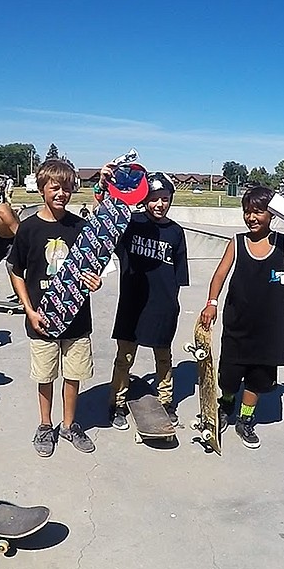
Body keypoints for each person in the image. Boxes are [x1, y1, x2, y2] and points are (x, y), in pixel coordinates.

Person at [200, 186, 284, 448]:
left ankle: (245, 420)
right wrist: (211, 303)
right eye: (247, 212)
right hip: (238, 325)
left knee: (257, 379)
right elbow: (220, 275)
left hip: (270, 330)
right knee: (229, 377)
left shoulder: (283, 243)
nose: (252, 217)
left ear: (272, 214)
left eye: (258, 211)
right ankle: (225, 405)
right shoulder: (237, 242)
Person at [8, 159, 103, 457]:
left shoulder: (81, 227)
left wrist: (95, 281)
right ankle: (45, 425)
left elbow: (94, 268)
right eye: (54, 188)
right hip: (42, 320)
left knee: (73, 375)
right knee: (45, 376)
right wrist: (28, 309)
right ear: (41, 190)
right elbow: (15, 270)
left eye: (67, 188)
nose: (61, 193)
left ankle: (69, 424)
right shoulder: (28, 229)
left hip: (76, 319)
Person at [108, 171, 189, 429]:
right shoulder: (131, 224)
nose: (159, 204)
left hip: (163, 304)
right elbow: (108, 221)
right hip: (133, 301)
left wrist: (171, 304)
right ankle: (117, 403)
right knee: (125, 358)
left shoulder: (176, 232)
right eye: (154, 199)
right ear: (145, 199)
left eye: (165, 199)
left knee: (163, 357)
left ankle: (166, 401)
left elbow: (179, 274)